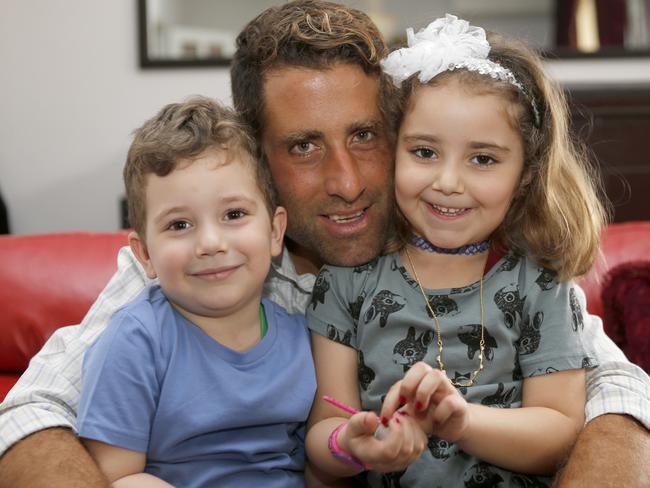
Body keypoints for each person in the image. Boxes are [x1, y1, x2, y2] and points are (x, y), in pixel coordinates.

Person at [0, 2, 647, 487]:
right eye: (304, 147)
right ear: (256, 156)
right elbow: (27, 416)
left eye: (365, 136)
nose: (345, 183)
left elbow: (618, 393)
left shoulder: (474, 239)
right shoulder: (203, 260)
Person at [305, 15, 606, 487]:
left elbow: (561, 432)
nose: (448, 182)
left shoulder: (540, 282)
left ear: (525, 173)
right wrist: (349, 443)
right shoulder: (347, 280)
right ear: (392, 151)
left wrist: (461, 421)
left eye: (483, 159)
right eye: (424, 152)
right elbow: (323, 429)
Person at [75, 97, 316, 487]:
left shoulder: (302, 337)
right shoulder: (135, 341)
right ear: (146, 254)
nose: (210, 242)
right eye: (179, 225)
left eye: (234, 215)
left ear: (274, 231)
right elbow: (117, 479)